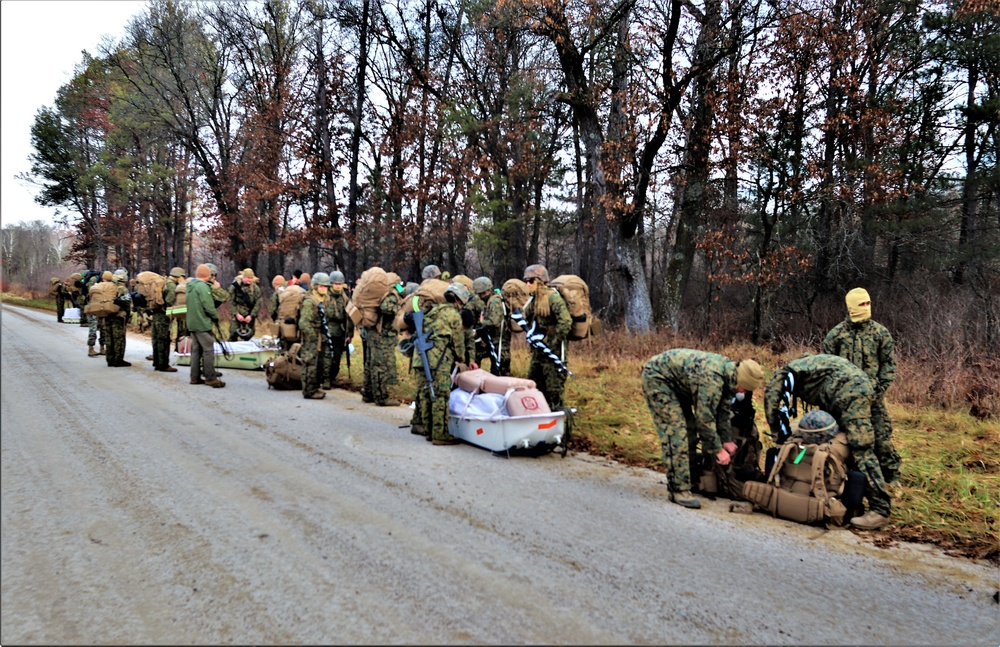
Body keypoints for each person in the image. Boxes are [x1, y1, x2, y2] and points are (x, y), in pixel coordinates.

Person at [763, 353, 891, 529]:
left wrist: (776, 433)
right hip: (859, 383)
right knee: (859, 440)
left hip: (848, 392)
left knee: (861, 448)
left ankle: (880, 510)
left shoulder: (785, 376)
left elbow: (771, 400)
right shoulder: (808, 367)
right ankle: (857, 486)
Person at [641, 350, 766, 509]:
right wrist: (718, 450)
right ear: (740, 380)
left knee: (690, 430)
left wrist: (726, 439)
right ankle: (678, 489)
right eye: (745, 388)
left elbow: (723, 412)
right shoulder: (712, 380)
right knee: (677, 433)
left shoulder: (729, 378)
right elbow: (705, 419)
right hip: (658, 379)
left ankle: (691, 479)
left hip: (679, 385)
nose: (744, 393)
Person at [822, 288, 901, 484]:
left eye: (868, 303)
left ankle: (892, 478)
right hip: (843, 401)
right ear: (851, 307)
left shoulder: (880, 333)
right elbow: (827, 369)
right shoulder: (836, 335)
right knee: (841, 439)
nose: (866, 308)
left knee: (881, 440)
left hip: (872, 399)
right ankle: (840, 476)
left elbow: (888, 366)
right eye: (861, 304)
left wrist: (878, 391)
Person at [413, 283, 469, 445]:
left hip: (420, 357)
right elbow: (458, 343)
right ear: (459, 300)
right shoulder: (453, 316)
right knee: (440, 396)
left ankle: (429, 431)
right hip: (437, 361)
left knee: (425, 394)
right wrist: (461, 359)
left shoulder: (432, 311)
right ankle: (439, 434)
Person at [521, 264, 573, 409]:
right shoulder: (533, 300)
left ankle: (559, 424)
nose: (527, 284)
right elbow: (529, 321)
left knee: (554, 389)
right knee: (533, 384)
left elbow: (566, 322)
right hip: (539, 352)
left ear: (540, 281)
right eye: (526, 281)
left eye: (531, 280)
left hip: (553, 352)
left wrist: (553, 343)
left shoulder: (553, 298)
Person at [365, 273, 403, 406]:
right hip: (382, 335)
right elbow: (386, 308)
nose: (401, 287)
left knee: (371, 363)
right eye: (399, 284)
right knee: (380, 366)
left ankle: (368, 392)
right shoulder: (390, 294)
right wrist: (400, 310)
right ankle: (381, 397)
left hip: (375, 333)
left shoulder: (384, 292)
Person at [186, 264, 225, 388]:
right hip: (202, 323)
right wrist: (215, 317)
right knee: (208, 350)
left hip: (192, 323)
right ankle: (210, 378)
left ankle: (194, 377)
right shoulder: (203, 287)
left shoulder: (190, 286)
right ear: (207, 275)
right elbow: (208, 305)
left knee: (196, 351)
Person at [299, 272, 332, 399]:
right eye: (322, 286)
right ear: (315, 286)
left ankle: (315, 387)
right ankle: (309, 390)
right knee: (310, 362)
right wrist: (312, 336)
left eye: (326, 286)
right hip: (311, 335)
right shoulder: (309, 301)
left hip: (320, 334)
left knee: (319, 363)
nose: (324, 289)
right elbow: (304, 322)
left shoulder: (325, 299)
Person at [321, 271, 353, 390]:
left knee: (338, 356)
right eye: (336, 284)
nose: (338, 286)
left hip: (340, 330)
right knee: (327, 356)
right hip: (328, 329)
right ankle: (325, 379)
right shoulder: (325, 297)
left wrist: (350, 334)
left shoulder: (344, 298)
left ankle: (333, 377)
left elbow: (349, 317)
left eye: (340, 284)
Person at [472, 276, 507, 374]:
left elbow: (494, 321)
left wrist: (482, 322)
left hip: (499, 342)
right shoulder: (491, 300)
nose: (479, 296)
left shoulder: (494, 301)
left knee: (500, 370)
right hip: (493, 340)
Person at [149, 270, 177, 373]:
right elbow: (169, 301)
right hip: (163, 315)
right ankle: (164, 364)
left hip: (156, 314)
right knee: (163, 340)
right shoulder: (171, 285)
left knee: (156, 339)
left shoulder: (163, 283)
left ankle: (157, 363)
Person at [105, 269, 132, 367]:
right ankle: (118, 360)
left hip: (107, 315)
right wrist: (128, 316)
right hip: (118, 317)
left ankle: (109, 359)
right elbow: (127, 304)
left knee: (109, 337)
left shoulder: (107, 286)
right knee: (118, 338)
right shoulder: (123, 289)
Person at [228, 268, 262, 341]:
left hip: (249, 315)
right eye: (248, 278)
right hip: (237, 315)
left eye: (251, 278)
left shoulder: (255, 289)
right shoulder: (235, 287)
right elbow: (231, 301)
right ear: (243, 277)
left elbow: (258, 303)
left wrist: (251, 315)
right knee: (233, 334)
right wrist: (236, 314)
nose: (250, 280)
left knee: (249, 336)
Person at [85, 271, 108, 357]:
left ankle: (102, 348)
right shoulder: (94, 282)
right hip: (94, 308)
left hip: (100, 308)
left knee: (102, 328)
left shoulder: (103, 284)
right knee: (94, 328)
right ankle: (91, 349)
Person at [164, 267, 187, 352]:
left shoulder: (167, 282)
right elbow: (169, 300)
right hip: (168, 312)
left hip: (166, 312)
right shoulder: (172, 285)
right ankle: (179, 349)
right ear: (178, 276)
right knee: (181, 330)